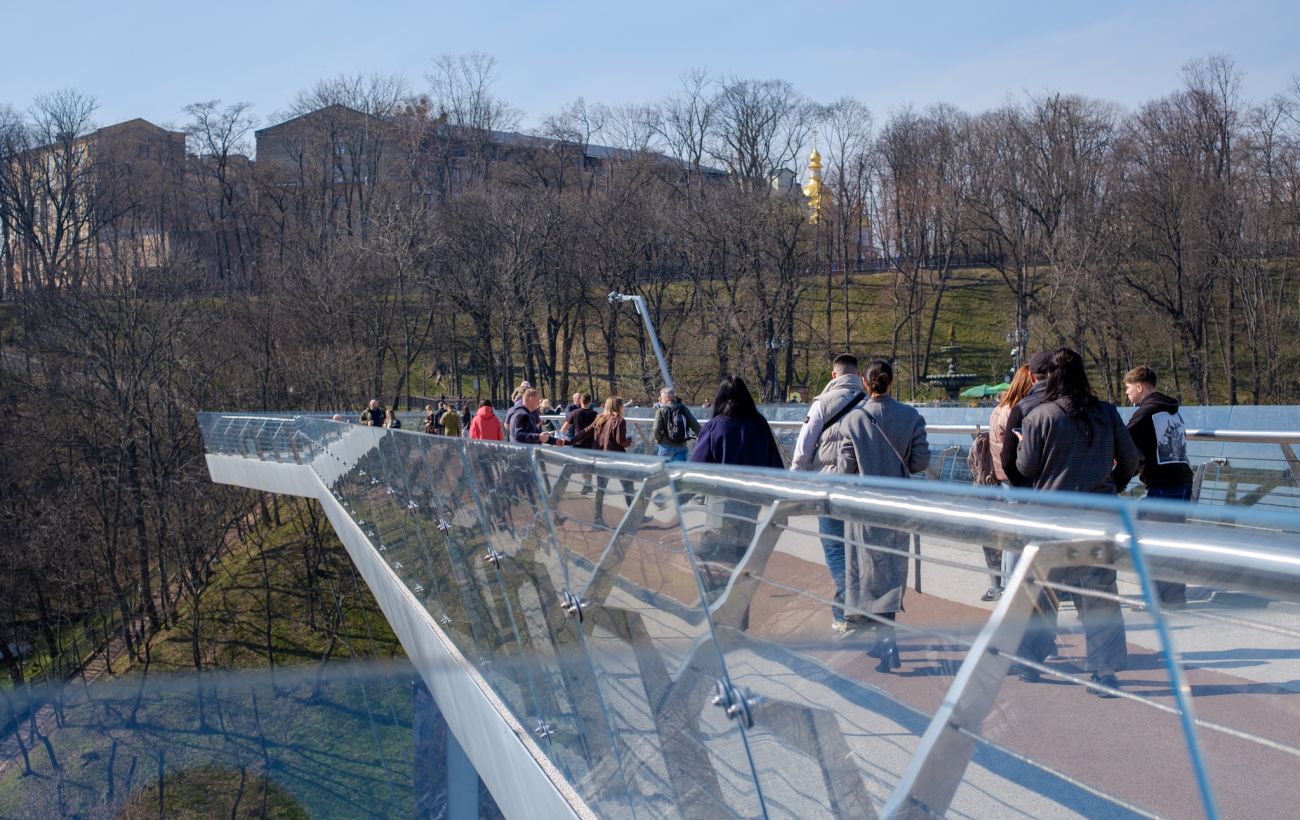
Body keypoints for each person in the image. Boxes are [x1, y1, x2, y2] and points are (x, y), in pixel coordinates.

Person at [1015, 348, 1140, 697]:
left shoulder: (1041, 416)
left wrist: (1025, 445)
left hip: (1052, 517)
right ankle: (1104, 671)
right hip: (1098, 515)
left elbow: (1026, 468)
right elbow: (1130, 459)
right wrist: (1113, 486)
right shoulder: (1106, 412)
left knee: (1042, 591)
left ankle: (1031, 660)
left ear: (1050, 377)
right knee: (1099, 594)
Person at [835, 359, 930, 673]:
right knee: (891, 570)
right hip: (899, 506)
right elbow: (919, 462)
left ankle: (888, 644)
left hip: (865, 508)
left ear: (865, 383)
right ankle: (883, 640)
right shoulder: (911, 416)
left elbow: (845, 469)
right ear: (891, 381)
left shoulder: (852, 421)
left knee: (869, 571)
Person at [790, 353, 866, 635]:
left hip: (829, 487)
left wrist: (794, 482)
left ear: (834, 375)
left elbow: (804, 448)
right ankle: (855, 609)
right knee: (859, 550)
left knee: (836, 550)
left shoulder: (822, 403)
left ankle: (845, 611)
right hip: (864, 489)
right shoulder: (870, 402)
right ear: (859, 374)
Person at [1124, 365, 1194, 608]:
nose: (1126, 393)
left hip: (1163, 485)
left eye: (1128, 388)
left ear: (1139, 386)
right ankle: (1173, 597)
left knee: (1154, 544)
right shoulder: (1171, 410)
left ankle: (1158, 599)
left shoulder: (1145, 413)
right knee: (1170, 542)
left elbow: (1123, 444)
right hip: (1181, 481)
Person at [978, 365, 1034, 601]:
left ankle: (1002, 585)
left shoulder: (999, 409)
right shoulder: (1018, 411)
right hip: (1017, 479)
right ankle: (1014, 587)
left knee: (1010, 534)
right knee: (1018, 536)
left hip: (1001, 479)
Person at [689, 376, 784, 469]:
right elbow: (776, 466)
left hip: (723, 479)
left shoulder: (712, 428)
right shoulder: (760, 424)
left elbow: (697, 467)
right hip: (757, 479)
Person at [998, 351, 1053, 486]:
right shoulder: (1073, 405)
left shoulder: (1021, 408)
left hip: (1030, 488)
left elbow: (1007, 460)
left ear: (1032, 377)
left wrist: (1022, 486)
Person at [589, 396, 634, 525]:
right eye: (622, 404)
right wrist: (630, 440)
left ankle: (598, 518)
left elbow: (595, 439)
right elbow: (621, 441)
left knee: (600, 489)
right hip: (617, 460)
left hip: (601, 459)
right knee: (628, 486)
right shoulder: (619, 420)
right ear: (618, 406)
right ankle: (635, 515)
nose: (623, 407)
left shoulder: (599, 419)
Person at [652, 387, 702, 461]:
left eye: (661, 398)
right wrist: (702, 439)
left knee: (664, 468)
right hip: (681, 445)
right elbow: (696, 426)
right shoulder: (683, 408)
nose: (661, 400)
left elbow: (656, 429)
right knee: (679, 468)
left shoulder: (661, 410)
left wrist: (659, 440)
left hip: (666, 446)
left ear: (666, 398)